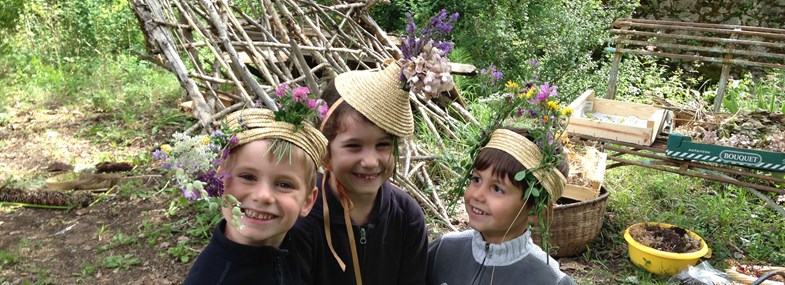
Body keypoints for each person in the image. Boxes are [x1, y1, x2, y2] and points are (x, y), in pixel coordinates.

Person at [288, 61, 428, 285]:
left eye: (382, 145)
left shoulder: (407, 217)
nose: (371, 162)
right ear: (325, 148)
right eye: (353, 146)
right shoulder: (300, 214)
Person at [182, 107, 328, 285]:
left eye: (284, 185)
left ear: (307, 201)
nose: (263, 196)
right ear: (219, 181)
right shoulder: (210, 279)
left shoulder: (302, 242)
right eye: (248, 177)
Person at [426, 127, 577, 285]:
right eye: (476, 179)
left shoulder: (549, 280)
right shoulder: (443, 251)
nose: (477, 195)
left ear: (536, 210)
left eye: (497, 189)